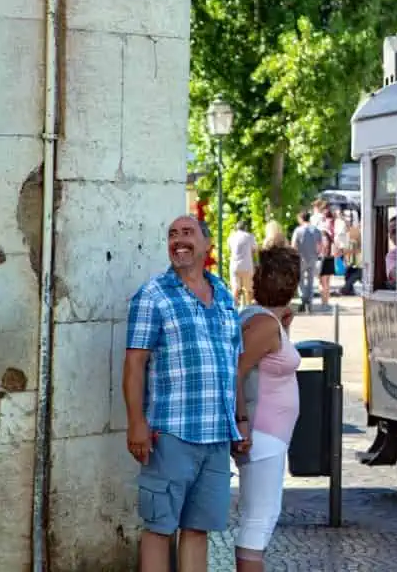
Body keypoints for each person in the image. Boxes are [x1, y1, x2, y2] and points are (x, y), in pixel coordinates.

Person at [122, 216, 248, 572]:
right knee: (159, 527)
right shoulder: (153, 295)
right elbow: (134, 364)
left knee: (198, 529)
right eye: (172, 235)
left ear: (206, 245)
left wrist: (241, 419)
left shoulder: (223, 292)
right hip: (171, 434)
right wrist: (136, 424)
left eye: (187, 233)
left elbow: (232, 362)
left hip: (217, 437)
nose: (179, 240)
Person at [234, 246, 302, 571]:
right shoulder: (262, 324)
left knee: (260, 517)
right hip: (262, 431)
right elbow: (236, 371)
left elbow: (270, 363)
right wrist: (241, 420)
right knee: (258, 520)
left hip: (267, 432)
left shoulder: (263, 319)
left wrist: (284, 326)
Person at [290, 212, 321, 312]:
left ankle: (303, 298)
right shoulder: (316, 230)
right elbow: (319, 246)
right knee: (311, 281)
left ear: (301, 219)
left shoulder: (298, 230)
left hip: (301, 258)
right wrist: (316, 254)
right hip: (312, 258)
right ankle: (310, 302)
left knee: (301, 280)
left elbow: (293, 245)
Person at [227, 220, 258, 308]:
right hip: (247, 266)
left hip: (234, 266)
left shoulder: (231, 237)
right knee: (248, 289)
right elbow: (254, 249)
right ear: (245, 228)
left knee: (235, 289)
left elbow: (230, 250)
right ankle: (248, 309)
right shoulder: (249, 236)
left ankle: (233, 309)